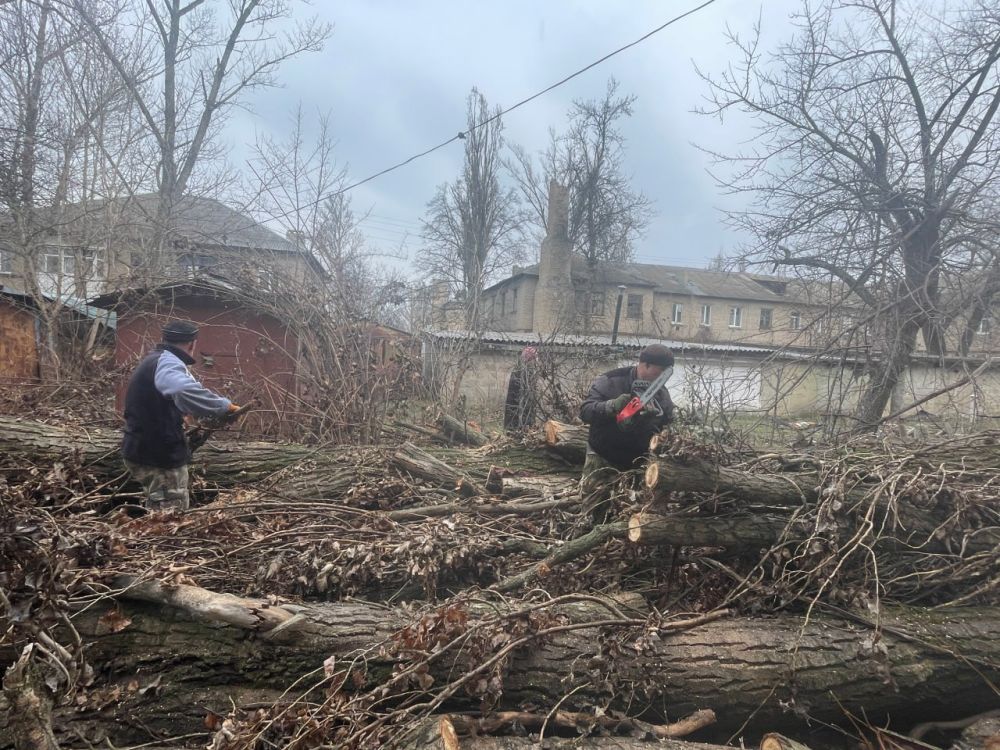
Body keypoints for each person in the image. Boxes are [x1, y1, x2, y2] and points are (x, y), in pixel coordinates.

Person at [121, 320, 240, 512]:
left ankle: (150, 539)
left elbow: (164, 398)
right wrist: (224, 407)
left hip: (143, 446)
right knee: (169, 516)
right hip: (157, 454)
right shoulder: (168, 362)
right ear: (192, 344)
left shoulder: (156, 360)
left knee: (159, 508)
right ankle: (160, 542)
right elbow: (180, 388)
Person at [579, 344, 675, 522]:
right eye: (659, 371)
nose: (662, 378)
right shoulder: (612, 380)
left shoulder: (662, 395)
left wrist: (661, 434)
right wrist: (611, 406)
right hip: (603, 456)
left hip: (637, 462)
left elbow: (668, 424)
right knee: (594, 512)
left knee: (631, 514)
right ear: (645, 364)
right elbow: (585, 411)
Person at [504, 346, 540, 434]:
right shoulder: (523, 371)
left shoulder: (520, 369)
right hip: (519, 409)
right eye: (534, 359)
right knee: (518, 430)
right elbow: (522, 397)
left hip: (519, 409)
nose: (536, 361)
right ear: (530, 359)